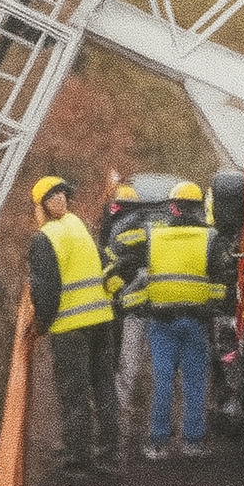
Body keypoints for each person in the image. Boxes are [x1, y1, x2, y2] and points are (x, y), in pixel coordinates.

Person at [124, 181, 233, 460]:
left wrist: (137, 303)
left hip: (161, 322)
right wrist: (212, 306)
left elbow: (126, 256)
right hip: (196, 322)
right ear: (199, 208)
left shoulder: (154, 235)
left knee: (162, 382)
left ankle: (158, 444)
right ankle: (192, 443)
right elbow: (222, 281)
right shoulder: (211, 238)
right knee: (195, 383)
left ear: (172, 207)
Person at [27, 176, 123, 477]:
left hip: (70, 327)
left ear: (39, 208)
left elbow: (46, 290)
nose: (59, 200)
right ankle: (109, 454)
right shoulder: (79, 225)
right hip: (101, 319)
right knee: (104, 386)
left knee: (74, 392)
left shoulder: (45, 238)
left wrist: (40, 324)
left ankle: (78, 459)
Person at [102, 183, 152, 437]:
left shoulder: (120, 228)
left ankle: (121, 411)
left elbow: (116, 266)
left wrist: (115, 292)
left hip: (127, 306)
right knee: (138, 360)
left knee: (126, 359)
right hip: (144, 305)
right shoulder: (146, 226)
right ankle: (134, 408)